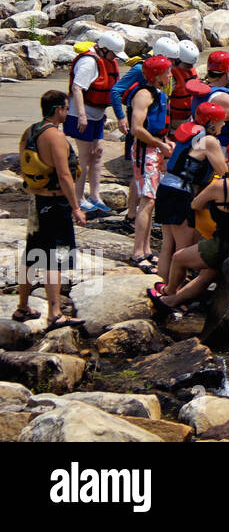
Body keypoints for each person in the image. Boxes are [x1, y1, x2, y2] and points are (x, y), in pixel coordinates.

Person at [150, 141, 229, 313]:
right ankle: (172, 301)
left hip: (226, 244)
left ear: (228, 159)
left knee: (178, 258)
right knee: (205, 277)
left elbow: (195, 205)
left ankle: (168, 291)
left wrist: (214, 204)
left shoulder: (221, 185)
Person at [13, 91, 86, 330]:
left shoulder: (31, 131)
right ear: (58, 110)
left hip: (37, 202)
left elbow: (25, 166)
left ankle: (22, 307)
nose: (68, 112)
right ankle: (55, 313)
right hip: (56, 204)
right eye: (66, 108)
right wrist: (76, 207)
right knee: (54, 259)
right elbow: (65, 175)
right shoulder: (55, 136)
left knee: (32, 255)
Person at [153, 101, 229, 295]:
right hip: (180, 193)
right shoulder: (210, 141)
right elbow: (225, 172)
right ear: (211, 122)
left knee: (167, 245)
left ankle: (163, 286)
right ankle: (173, 294)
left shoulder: (192, 132)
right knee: (183, 250)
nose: (224, 125)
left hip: (165, 189)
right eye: (221, 121)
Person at [65, 29, 125, 217]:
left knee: (97, 155)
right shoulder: (88, 63)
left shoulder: (107, 61)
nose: (115, 58)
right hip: (82, 116)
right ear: (104, 49)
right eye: (114, 54)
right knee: (84, 158)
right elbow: (77, 88)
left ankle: (95, 196)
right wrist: (82, 116)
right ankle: (78, 198)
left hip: (98, 116)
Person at [127, 56, 175, 273]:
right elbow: (136, 128)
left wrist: (165, 143)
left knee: (152, 200)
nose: (170, 75)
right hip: (144, 151)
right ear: (156, 76)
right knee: (147, 200)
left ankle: (146, 249)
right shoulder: (143, 95)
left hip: (155, 150)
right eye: (167, 72)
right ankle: (138, 252)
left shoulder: (160, 95)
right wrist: (158, 144)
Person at [198, 50, 229, 145]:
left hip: (204, 144)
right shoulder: (222, 98)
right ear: (228, 72)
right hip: (223, 147)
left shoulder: (203, 90)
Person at [168, 41, 200, 133]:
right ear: (177, 60)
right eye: (187, 65)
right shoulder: (171, 75)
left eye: (191, 65)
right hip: (174, 119)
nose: (190, 67)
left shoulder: (191, 71)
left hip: (189, 116)